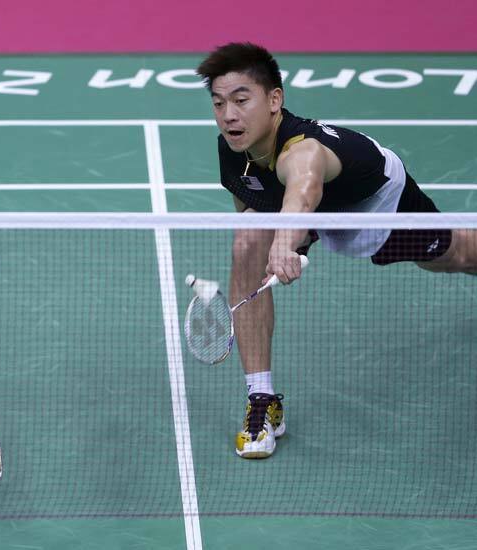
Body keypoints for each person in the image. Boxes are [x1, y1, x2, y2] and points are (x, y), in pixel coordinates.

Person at [195, 42, 477, 459]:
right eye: (219, 103)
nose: (229, 115)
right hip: (305, 210)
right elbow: (255, 211)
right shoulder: (231, 152)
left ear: (275, 100)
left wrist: (286, 244)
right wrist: (268, 249)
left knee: (456, 257)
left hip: (375, 203)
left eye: (241, 100)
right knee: (247, 243)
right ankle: (261, 399)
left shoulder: (303, 149)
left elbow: (304, 190)